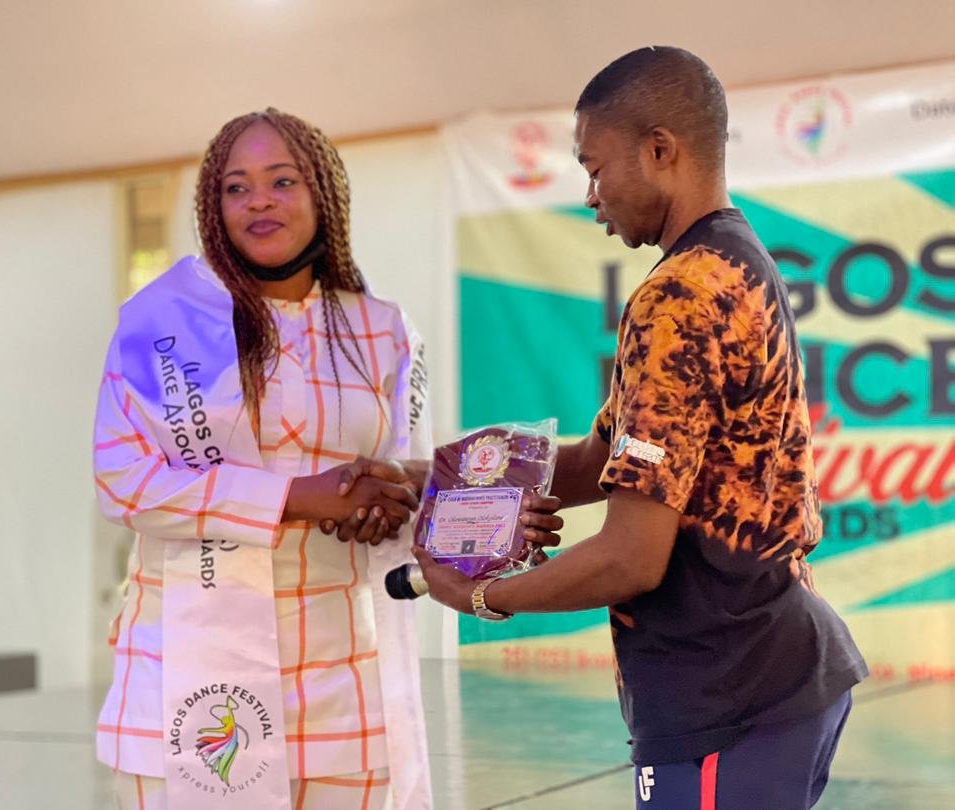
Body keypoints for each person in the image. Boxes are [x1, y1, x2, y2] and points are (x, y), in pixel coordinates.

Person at [407, 47, 868, 809]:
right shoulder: (735, 264)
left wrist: (483, 595)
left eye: (595, 169)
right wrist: (435, 482)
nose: (591, 197)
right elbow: (602, 458)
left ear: (660, 150)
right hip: (773, 678)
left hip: (729, 693)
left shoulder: (678, 297)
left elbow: (630, 559)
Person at [92, 108, 433, 809]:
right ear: (212, 207)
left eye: (282, 181)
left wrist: (385, 502)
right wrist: (297, 499)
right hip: (186, 674)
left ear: (323, 194)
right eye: (236, 188)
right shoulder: (162, 323)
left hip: (342, 679)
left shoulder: (382, 330)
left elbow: (403, 472)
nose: (259, 202)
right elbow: (124, 483)